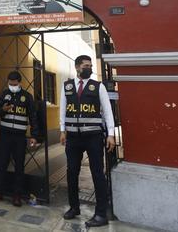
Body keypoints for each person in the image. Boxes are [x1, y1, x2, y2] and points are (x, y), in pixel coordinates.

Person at [60, 55, 116, 228]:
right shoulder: (67, 86)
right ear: (77, 67)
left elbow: (107, 111)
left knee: (97, 173)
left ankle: (100, 214)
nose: (89, 68)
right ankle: (74, 207)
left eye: (90, 66)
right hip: (73, 138)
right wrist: (62, 130)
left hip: (93, 136)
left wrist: (111, 134)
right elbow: (63, 108)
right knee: (71, 172)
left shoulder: (98, 87)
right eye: (86, 65)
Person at [0, 71, 40, 207]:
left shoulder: (27, 97)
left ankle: (17, 195)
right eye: (10, 84)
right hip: (5, 136)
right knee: (1, 165)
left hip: (19, 137)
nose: (12, 86)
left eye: (14, 84)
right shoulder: (3, 94)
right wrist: (3, 109)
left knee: (19, 167)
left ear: (19, 83)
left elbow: (33, 117)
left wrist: (34, 135)